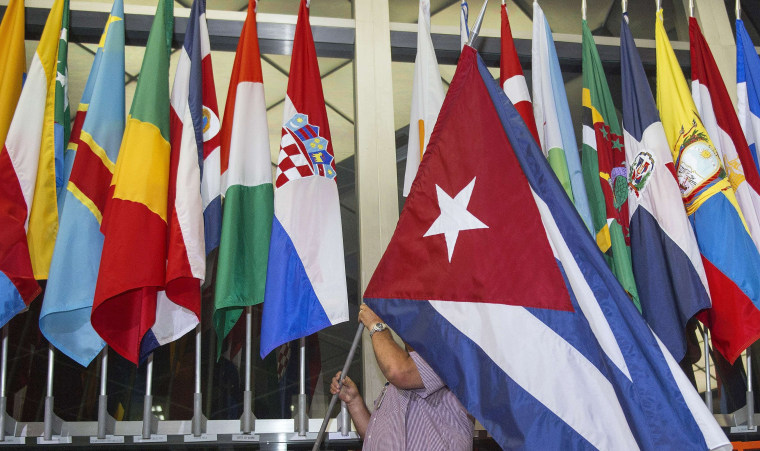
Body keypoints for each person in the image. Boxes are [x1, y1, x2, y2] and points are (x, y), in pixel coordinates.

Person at [330, 303, 474, 450]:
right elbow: (379, 440)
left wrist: (376, 325)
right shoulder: (394, 386)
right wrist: (354, 401)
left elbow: (397, 371)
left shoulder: (448, 359)